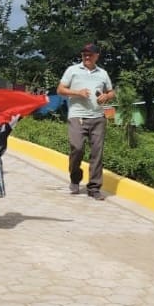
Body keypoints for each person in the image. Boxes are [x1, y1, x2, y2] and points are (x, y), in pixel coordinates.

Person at [56, 43, 115, 200]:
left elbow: (111, 92)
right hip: (77, 116)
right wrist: (77, 92)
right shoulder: (72, 70)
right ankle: (75, 178)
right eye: (84, 55)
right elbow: (60, 90)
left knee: (97, 153)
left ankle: (94, 187)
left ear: (97, 56)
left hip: (98, 117)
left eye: (90, 55)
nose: (86, 57)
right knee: (77, 147)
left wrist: (106, 96)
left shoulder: (103, 73)